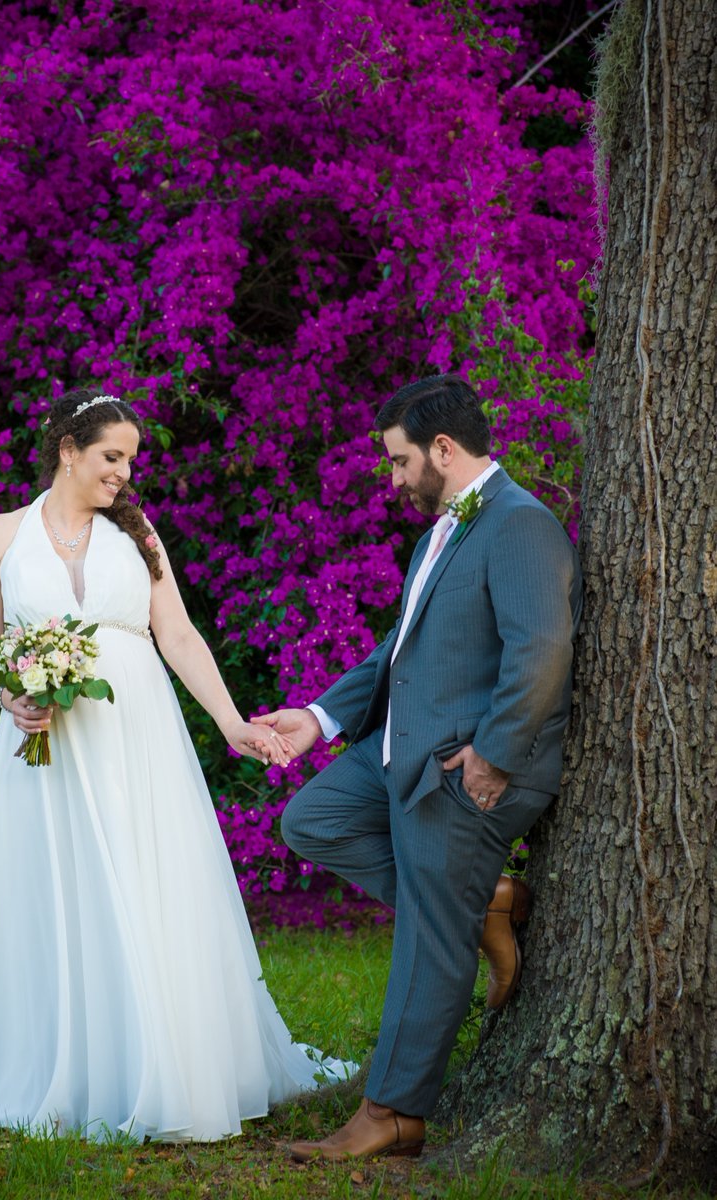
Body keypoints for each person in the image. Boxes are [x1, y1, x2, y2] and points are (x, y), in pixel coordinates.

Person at [0, 389, 350, 1142]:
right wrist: (10, 695)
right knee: (59, 892)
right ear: (68, 450)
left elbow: (177, 636)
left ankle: (163, 1066)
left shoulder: (138, 535)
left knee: (146, 884)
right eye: (111, 456)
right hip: (42, 746)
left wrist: (230, 721)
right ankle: (66, 1063)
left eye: (131, 461)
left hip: (137, 738)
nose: (123, 473)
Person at [252, 374, 582, 1161]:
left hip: (466, 767)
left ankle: (392, 1113)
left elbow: (542, 649)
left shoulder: (519, 525)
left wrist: (496, 755)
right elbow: (400, 656)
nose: (395, 478)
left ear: (442, 448)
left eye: (400, 462)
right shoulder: (440, 533)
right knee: (312, 819)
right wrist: (320, 719)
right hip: (396, 753)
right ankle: (485, 903)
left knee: (428, 939)